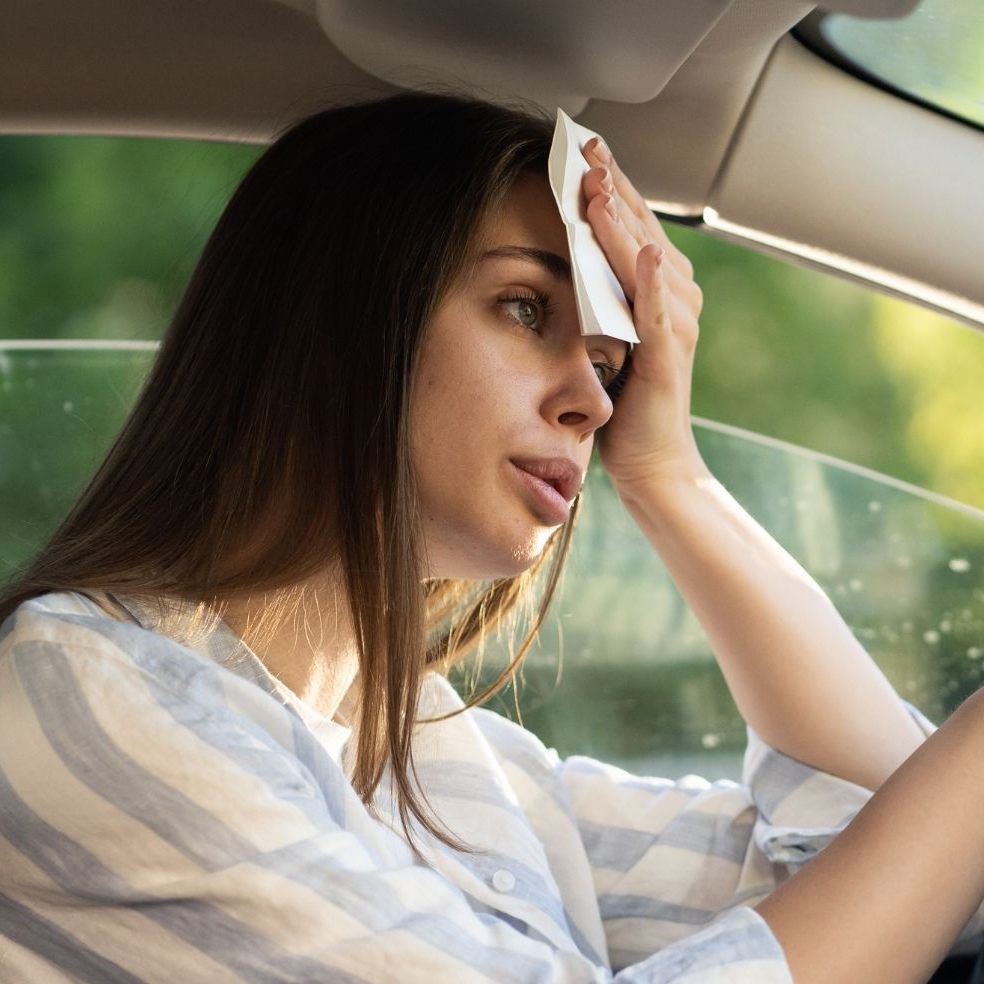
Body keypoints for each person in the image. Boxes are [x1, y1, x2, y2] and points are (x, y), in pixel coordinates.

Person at [0, 91, 981, 984]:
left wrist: (670, 478)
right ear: (341, 315)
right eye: (524, 308)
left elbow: (905, 868)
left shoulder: (443, 764)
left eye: (610, 364)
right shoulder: (81, 694)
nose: (594, 401)